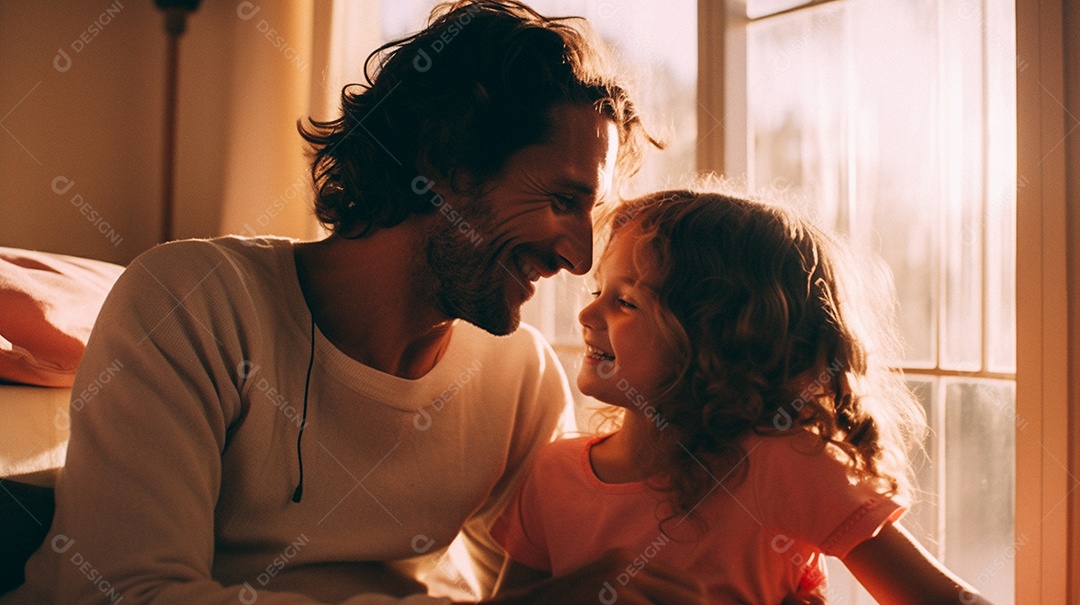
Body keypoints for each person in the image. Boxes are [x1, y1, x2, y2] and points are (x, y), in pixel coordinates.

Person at [3, 2, 708, 604]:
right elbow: (129, 594)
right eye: (562, 200)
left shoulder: (516, 376)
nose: (578, 258)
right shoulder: (193, 302)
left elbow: (537, 583)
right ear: (448, 164)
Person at [491, 189, 995, 604]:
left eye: (625, 301)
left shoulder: (783, 465)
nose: (587, 315)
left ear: (717, 338)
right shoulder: (553, 475)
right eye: (596, 291)